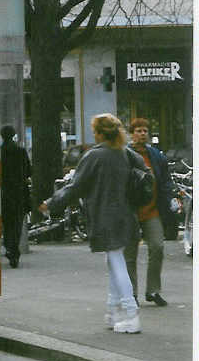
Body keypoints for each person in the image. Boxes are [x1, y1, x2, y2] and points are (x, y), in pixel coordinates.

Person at [39, 113, 146, 333]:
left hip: (105, 217)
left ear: (99, 133)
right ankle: (113, 312)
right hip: (128, 215)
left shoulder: (94, 156)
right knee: (115, 262)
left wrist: (50, 203)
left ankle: (130, 312)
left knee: (116, 263)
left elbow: (75, 187)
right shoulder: (126, 153)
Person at [124, 118, 175, 307]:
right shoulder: (125, 154)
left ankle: (153, 290)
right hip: (130, 212)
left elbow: (166, 180)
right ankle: (132, 294)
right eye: (138, 130)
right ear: (131, 133)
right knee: (130, 254)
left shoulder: (156, 155)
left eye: (145, 130)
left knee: (157, 247)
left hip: (152, 210)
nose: (142, 133)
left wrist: (168, 198)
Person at [0, 125, 31, 268]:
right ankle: (14, 249)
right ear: (13, 135)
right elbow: (29, 171)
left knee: (7, 223)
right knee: (17, 223)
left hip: (4, 193)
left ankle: (9, 247)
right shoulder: (21, 151)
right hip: (19, 193)